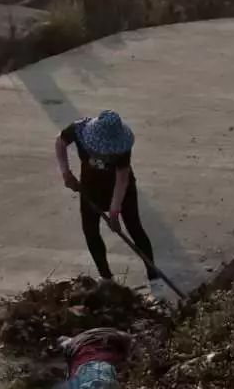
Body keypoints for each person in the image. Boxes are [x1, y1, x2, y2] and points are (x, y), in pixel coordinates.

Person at [55, 110, 159, 282]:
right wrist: (66, 173)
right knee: (90, 231)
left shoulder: (122, 148)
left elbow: (122, 179)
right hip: (90, 188)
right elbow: (60, 142)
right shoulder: (78, 130)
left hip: (122, 190)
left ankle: (154, 277)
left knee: (134, 228)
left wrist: (114, 212)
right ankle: (106, 277)